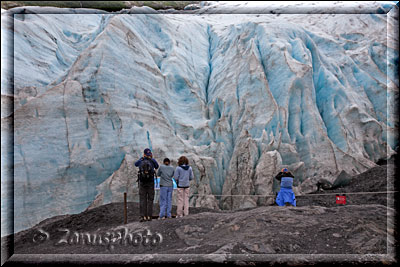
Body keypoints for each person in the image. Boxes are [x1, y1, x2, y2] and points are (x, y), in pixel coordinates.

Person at [135, 148, 159, 222]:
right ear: (150, 154)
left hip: (142, 183)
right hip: (150, 182)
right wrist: (152, 159)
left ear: (144, 154)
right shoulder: (152, 160)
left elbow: (135, 164)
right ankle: (149, 216)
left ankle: (143, 216)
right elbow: (157, 166)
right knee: (150, 199)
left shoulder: (141, 161)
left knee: (143, 199)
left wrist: (142, 158)